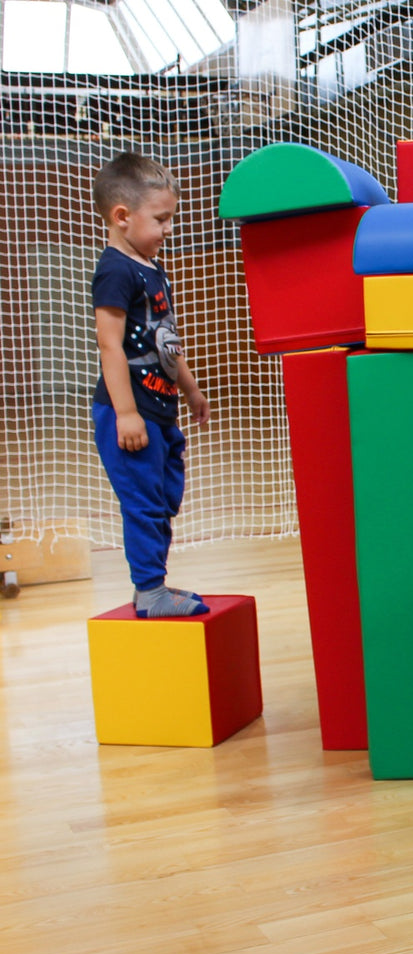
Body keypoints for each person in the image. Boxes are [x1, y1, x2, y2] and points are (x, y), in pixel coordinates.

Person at [90, 151, 210, 618]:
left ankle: (151, 587)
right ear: (122, 217)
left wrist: (191, 388)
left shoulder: (151, 268)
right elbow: (111, 347)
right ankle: (151, 591)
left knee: (163, 500)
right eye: (161, 219)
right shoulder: (116, 270)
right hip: (130, 412)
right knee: (143, 503)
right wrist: (125, 412)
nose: (168, 229)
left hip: (161, 409)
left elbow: (166, 340)